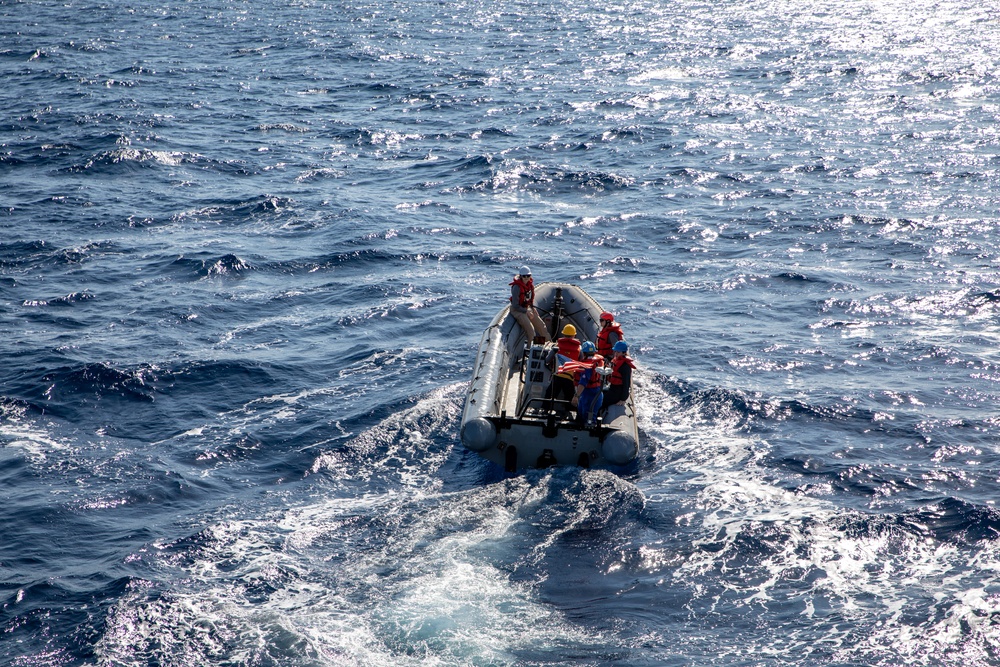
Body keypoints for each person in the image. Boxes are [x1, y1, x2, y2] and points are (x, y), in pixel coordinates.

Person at [546, 324, 582, 413]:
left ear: (563, 334)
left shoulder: (557, 346)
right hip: (570, 379)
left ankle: (545, 411)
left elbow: (547, 360)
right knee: (570, 401)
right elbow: (581, 363)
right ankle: (570, 416)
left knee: (548, 397)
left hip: (557, 376)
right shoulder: (579, 349)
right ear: (574, 335)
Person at [509, 266, 549, 343]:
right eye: (524, 276)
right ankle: (529, 351)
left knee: (542, 326)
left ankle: (548, 345)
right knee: (531, 331)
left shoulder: (530, 286)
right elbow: (515, 305)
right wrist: (526, 311)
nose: (526, 278)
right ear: (521, 276)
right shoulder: (516, 287)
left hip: (526, 308)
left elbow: (530, 299)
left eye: (528, 276)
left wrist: (532, 308)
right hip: (518, 310)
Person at [574, 341, 605, 427]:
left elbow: (582, 383)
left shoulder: (587, 366)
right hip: (598, 393)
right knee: (591, 415)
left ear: (583, 353)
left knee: (586, 415)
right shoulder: (598, 362)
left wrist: (576, 396)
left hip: (588, 394)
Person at [602, 340, 635, 408]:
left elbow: (626, 384)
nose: (616, 354)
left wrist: (623, 399)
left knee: (602, 401)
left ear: (623, 353)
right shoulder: (616, 361)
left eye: (618, 352)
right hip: (612, 388)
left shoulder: (625, 366)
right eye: (615, 351)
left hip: (618, 392)